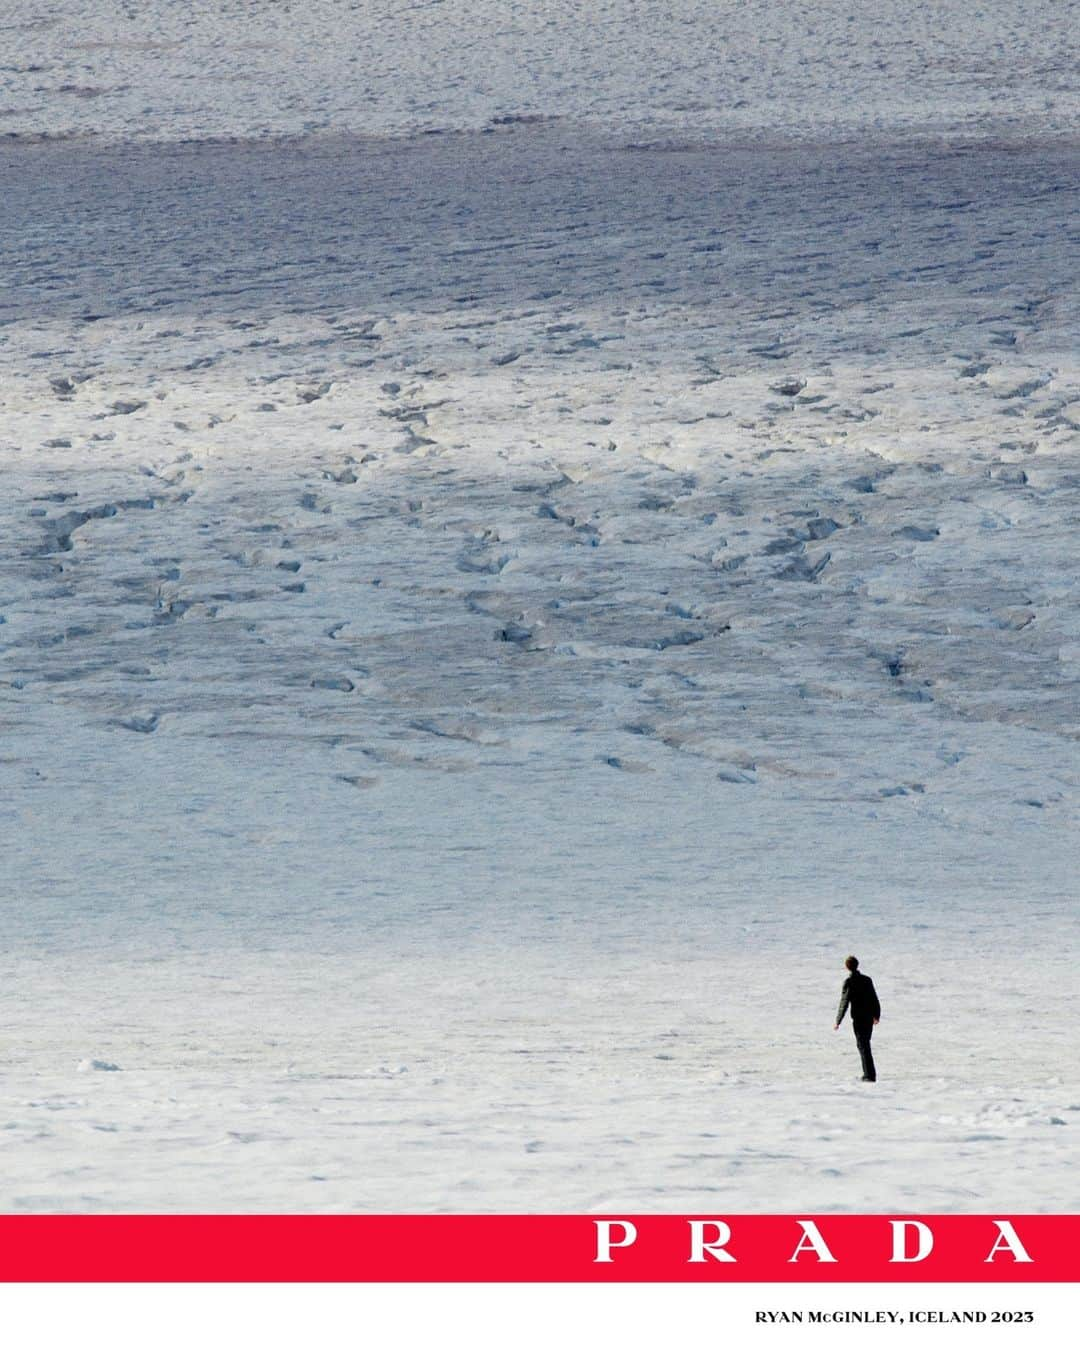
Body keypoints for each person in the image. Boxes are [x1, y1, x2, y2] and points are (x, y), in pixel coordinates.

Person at [833, 955, 881, 1081]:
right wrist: (876, 1015)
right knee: (865, 1044)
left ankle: (869, 1075)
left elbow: (844, 1002)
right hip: (869, 1017)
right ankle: (869, 1073)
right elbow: (874, 999)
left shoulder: (849, 982)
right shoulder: (867, 980)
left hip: (859, 1019)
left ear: (847, 967)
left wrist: (838, 1021)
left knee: (863, 1045)